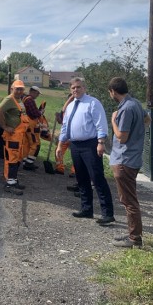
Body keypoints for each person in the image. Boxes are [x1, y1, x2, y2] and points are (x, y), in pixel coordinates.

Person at [56, 77, 115, 224]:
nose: (76, 90)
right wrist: (59, 145)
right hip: (75, 145)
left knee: (97, 178)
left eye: (79, 87)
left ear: (84, 88)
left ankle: (108, 213)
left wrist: (101, 142)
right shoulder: (70, 107)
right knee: (81, 178)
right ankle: (86, 209)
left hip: (90, 145)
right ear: (70, 90)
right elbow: (65, 127)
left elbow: (101, 123)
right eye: (73, 88)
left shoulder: (93, 103)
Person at [108, 77, 151, 248]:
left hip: (124, 160)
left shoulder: (125, 109)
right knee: (128, 200)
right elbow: (147, 121)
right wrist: (138, 133)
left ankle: (135, 239)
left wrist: (113, 120)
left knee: (129, 201)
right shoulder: (136, 103)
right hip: (132, 158)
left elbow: (122, 137)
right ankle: (132, 234)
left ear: (113, 91)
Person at [0, 79, 30, 194]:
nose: (20, 91)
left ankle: (14, 180)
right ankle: (9, 184)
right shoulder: (9, 99)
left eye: (21, 89)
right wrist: (5, 127)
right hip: (13, 135)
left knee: (18, 158)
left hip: (20, 135)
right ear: (12, 89)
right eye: (17, 89)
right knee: (12, 159)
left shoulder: (19, 99)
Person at [22, 85, 46, 170]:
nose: (38, 95)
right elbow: (35, 114)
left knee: (26, 144)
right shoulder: (30, 100)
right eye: (37, 93)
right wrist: (41, 112)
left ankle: (25, 162)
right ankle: (29, 163)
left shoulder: (24, 98)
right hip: (30, 126)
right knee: (35, 144)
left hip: (25, 125)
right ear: (33, 92)